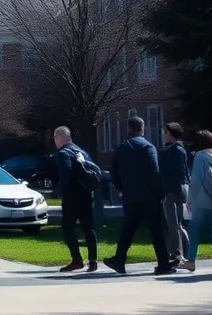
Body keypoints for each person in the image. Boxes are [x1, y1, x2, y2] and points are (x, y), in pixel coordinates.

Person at [104, 115, 172, 275]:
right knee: (156, 231)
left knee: (128, 229)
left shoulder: (121, 148)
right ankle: (163, 263)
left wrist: (120, 188)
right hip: (149, 196)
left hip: (130, 196)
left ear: (129, 129)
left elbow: (113, 172)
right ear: (143, 129)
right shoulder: (148, 148)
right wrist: (159, 192)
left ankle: (119, 260)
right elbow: (154, 172)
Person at [183, 130, 212, 273]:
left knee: (195, 227)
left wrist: (190, 199)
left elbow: (196, 180)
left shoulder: (199, 156)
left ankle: (191, 260)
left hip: (201, 197)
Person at [52, 126, 97, 272]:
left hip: (72, 195)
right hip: (86, 194)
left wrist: (58, 189)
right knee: (88, 228)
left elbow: (66, 176)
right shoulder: (81, 151)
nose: (54, 141)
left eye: (55, 137)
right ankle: (93, 261)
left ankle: (77, 260)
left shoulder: (63, 153)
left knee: (68, 227)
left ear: (60, 137)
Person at [160, 123, 191, 267]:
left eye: (164, 132)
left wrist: (166, 191)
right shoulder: (179, 149)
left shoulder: (175, 151)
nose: (163, 135)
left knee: (173, 224)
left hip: (174, 190)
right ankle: (180, 253)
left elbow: (173, 173)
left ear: (169, 133)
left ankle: (177, 255)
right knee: (178, 224)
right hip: (179, 188)